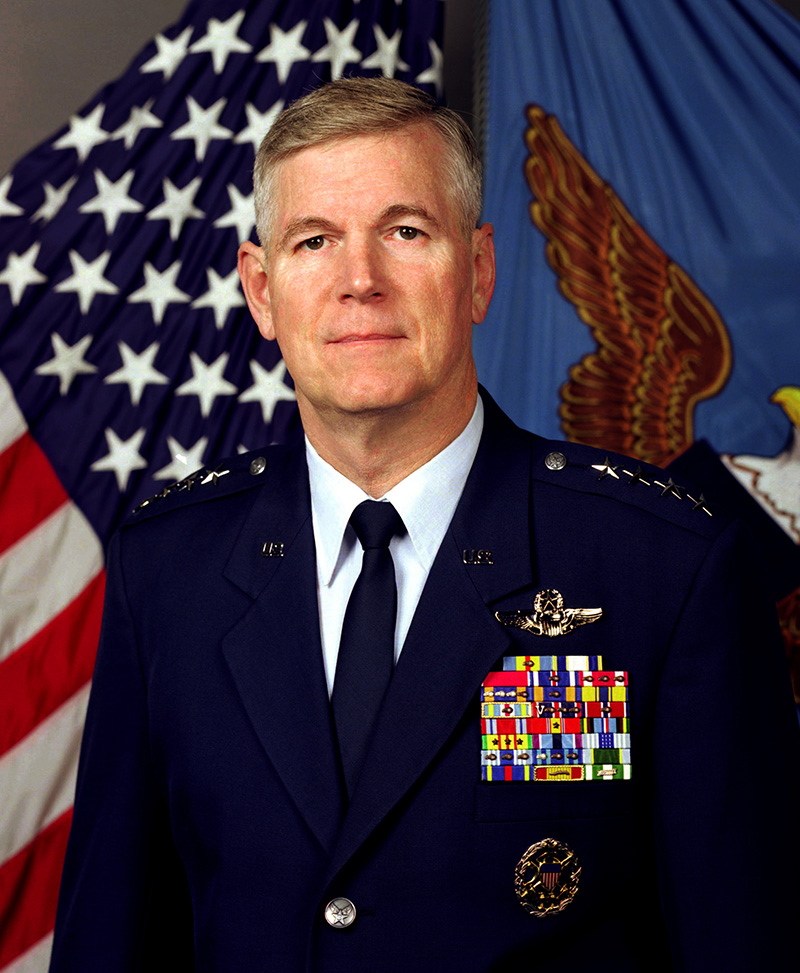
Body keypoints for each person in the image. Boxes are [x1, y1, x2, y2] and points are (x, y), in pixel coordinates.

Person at [50, 77, 800, 972]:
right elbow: (113, 943)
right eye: (314, 240)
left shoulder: (662, 567)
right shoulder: (167, 569)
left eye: (405, 231)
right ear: (261, 290)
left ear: (478, 271)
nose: (359, 280)